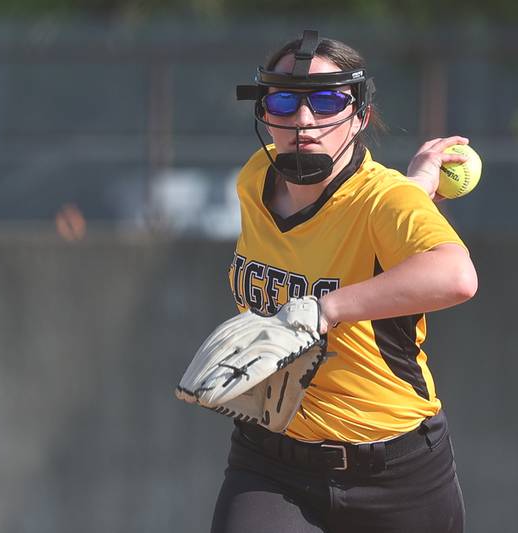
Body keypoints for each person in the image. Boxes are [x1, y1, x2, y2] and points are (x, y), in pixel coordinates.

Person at [213, 30, 478, 533]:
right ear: (264, 111)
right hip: (271, 461)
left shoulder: (385, 199)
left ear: (359, 116)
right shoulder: (254, 177)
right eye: (284, 101)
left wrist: (323, 309)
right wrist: (415, 190)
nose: (303, 121)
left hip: (396, 470)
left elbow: (456, 277)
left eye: (327, 101)